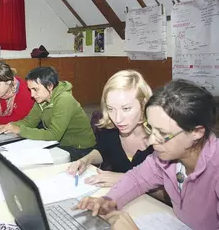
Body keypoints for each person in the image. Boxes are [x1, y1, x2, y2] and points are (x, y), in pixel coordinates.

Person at [75, 79, 219, 230]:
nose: (151, 140)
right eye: (150, 128)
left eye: (162, 133)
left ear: (197, 132)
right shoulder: (164, 159)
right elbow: (137, 178)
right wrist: (108, 200)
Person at [67, 70, 154, 187]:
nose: (117, 119)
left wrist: (127, 180)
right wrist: (85, 160)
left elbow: (171, 194)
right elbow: (103, 150)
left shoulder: (161, 140)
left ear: (144, 105)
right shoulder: (111, 130)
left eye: (126, 109)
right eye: (111, 109)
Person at [0, 66, 96, 161]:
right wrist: (9, 126)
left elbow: (54, 134)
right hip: (62, 143)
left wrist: (19, 130)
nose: (32, 94)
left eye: (35, 89)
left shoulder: (64, 99)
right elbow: (29, 121)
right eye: (30, 89)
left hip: (81, 149)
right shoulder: (42, 98)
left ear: (50, 86)